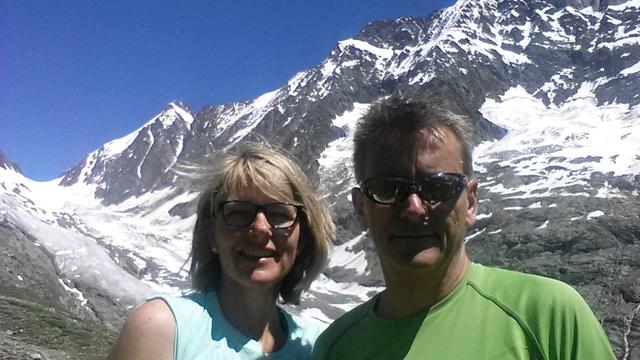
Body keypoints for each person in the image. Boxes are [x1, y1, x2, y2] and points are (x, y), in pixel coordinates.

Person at [312, 97, 615, 359]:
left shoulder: (550, 316)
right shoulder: (336, 349)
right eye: (387, 189)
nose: (414, 208)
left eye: (438, 187)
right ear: (360, 207)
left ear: (470, 203)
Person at [109, 144, 335, 359]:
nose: (260, 228)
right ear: (212, 235)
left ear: (302, 238)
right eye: (238, 212)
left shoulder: (319, 347)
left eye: (279, 214)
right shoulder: (161, 327)